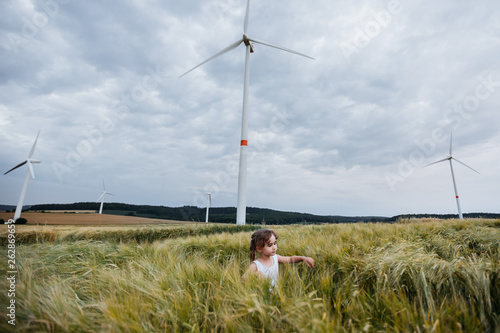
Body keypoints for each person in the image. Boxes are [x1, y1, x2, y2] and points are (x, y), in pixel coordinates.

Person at [243, 229, 315, 288]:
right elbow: (243, 280)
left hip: (276, 295)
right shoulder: (255, 265)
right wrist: (254, 275)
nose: (274, 247)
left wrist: (303, 258)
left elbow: (290, 259)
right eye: (270, 245)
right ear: (259, 249)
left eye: (275, 243)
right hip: (262, 298)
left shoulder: (275, 258)